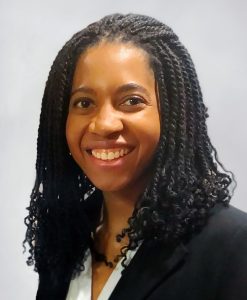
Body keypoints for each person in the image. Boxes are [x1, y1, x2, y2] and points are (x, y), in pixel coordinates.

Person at [24, 13, 247, 300]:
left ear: (174, 113)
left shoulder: (233, 247)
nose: (103, 123)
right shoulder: (67, 236)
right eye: (84, 103)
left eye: (131, 101)